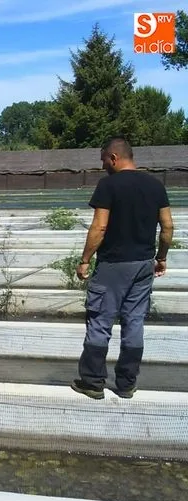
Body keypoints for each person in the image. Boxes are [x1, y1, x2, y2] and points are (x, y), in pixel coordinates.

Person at [70, 137, 174, 400]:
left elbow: (99, 227)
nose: (102, 164)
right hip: (142, 266)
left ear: (114, 158)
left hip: (113, 265)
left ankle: (92, 382)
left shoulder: (108, 185)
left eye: (103, 159)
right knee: (134, 322)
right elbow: (168, 227)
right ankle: (126, 384)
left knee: (100, 321)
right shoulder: (155, 185)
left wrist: (84, 260)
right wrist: (161, 257)